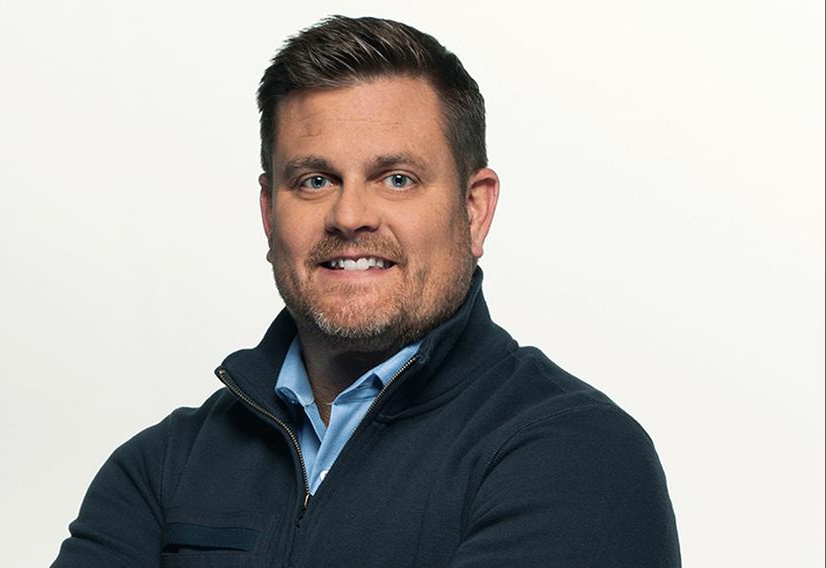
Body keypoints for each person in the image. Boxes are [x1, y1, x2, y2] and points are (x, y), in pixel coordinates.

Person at [52, 15, 680, 567]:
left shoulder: (577, 457)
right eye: (315, 180)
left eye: (397, 179)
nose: (350, 215)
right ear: (270, 213)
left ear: (474, 210)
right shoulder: (162, 469)